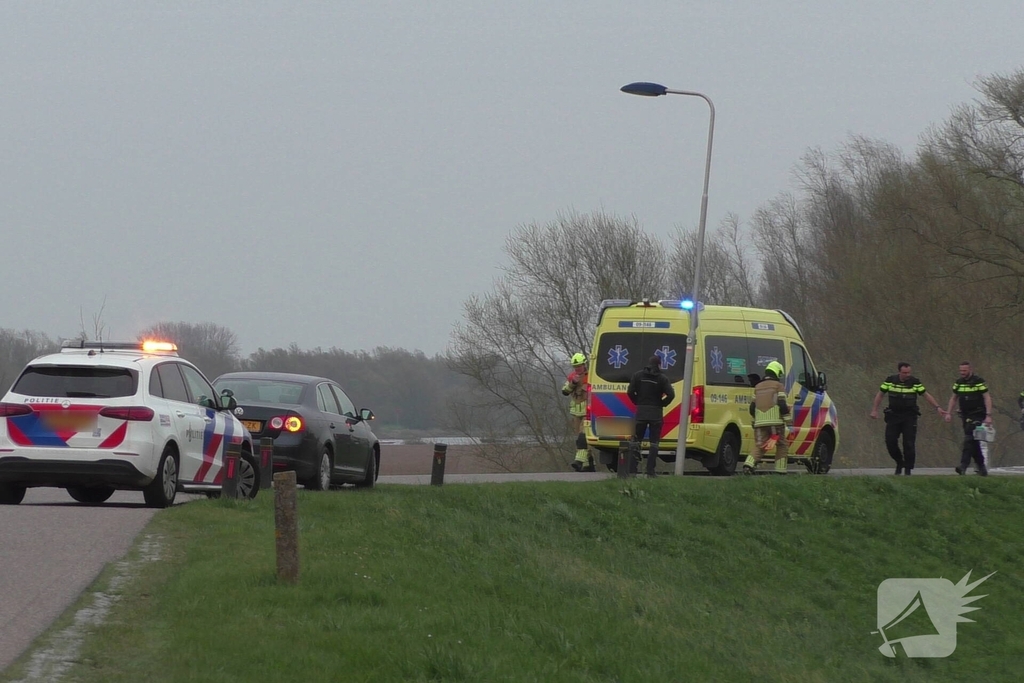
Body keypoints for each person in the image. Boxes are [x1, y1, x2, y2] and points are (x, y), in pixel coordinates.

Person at [869, 362, 946, 476]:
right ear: (899, 372)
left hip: (909, 416)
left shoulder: (914, 382)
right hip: (894, 416)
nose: (907, 375)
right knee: (890, 441)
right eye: (904, 373)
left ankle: (908, 469)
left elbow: (926, 395)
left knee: (908, 443)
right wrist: (875, 410)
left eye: (909, 372)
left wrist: (937, 407)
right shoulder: (890, 381)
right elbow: (880, 394)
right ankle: (900, 462)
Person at [626, 355, 675, 478]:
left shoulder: (637, 376)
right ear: (659, 365)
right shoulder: (662, 378)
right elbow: (671, 394)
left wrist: (637, 402)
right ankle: (650, 472)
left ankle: (632, 470)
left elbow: (630, 391)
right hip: (655, 413)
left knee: (636, 442)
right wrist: (662, 404)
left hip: (641, 412)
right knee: (654, 443)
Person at [943, 361, 993, 476]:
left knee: (969, 438)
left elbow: (987, 397)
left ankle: (963, 466)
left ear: (970, 370)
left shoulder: (978, 381)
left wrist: (988, 415)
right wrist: (948, 413)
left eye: (964, 371)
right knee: (973, 442)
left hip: (978, 414)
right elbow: (953, 398)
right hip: (965, 415)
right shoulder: (958, 383)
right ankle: (982, 468)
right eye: (961, 371)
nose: (962, 373)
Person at [742, 361, 791, 474]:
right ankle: (780, 471)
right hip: (775, 422)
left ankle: (748, 465)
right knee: (781, 444)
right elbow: (782, 405)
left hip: (759, 423)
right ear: (777, 373)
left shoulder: (758, 387)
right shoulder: (778, 386)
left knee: (760, 445)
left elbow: (752, 408)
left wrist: (755, 421)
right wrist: (789, 421)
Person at [563, 353, 593, 472]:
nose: (577, 369)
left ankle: (579, 461)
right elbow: (565, 391)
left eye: (579, 366)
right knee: (580, 439)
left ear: (584, 365)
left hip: (587, 412)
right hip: (576, 413)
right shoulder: (572, 377)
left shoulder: (590, 376)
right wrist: (573, 383)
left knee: (582, 437)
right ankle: (588, 465)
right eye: (575, 367)